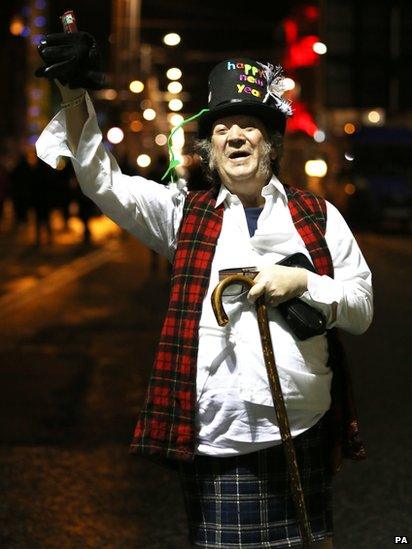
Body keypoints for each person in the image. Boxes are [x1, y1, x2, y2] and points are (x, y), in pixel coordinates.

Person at [35, 33, 373, 548]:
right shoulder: (182, 215)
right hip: (218, 438)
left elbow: (362, 309)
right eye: (222, 127)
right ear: (208, 147)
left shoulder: (319, 216)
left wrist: (303, 282)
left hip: (303, 427)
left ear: (271, 141)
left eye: (249, 125)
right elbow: (100, 179)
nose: (235, 136)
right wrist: (73, 93)